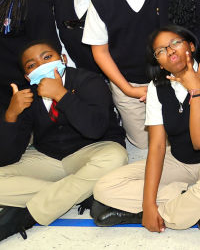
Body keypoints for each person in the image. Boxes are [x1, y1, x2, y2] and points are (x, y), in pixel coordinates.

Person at [90, 26, 200, 232]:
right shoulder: (156, 87)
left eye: (175, 43)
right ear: (158, 62)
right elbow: (158, 147)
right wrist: (147, 203)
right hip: (178, 159)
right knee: (104, 188)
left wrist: (196, 91)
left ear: (192, 46)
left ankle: (138, 216)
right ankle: (188, 204)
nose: (169, 51)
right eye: (160, 51)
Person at [0, 39, 127, 243]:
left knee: (116, 157)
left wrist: (61, 94)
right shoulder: (27, 95)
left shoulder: (89, 80)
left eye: (47, 57)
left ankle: (26, 215)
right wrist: (11, 115)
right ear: (27, 75)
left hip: (91, 151)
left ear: (63, 58)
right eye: (31, 65)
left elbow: (95, 130)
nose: (41, 65)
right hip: (49, 158)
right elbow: (7, 157)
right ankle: (81, 190)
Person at [81, 0, 158, 148]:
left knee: (174, 141)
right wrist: (128, 90)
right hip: (127, 84)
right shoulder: (100, 0)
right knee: (144, 145)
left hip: (169, 80)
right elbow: (100, 52)